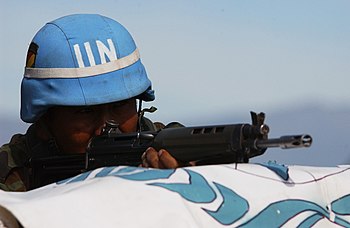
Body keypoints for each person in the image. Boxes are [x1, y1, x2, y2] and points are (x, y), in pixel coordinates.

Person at [0, 14, 186, 192]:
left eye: (119, 105)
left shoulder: (174, 149)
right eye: (85, 111)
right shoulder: (9, 181)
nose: (105, 129)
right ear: (44, 121)